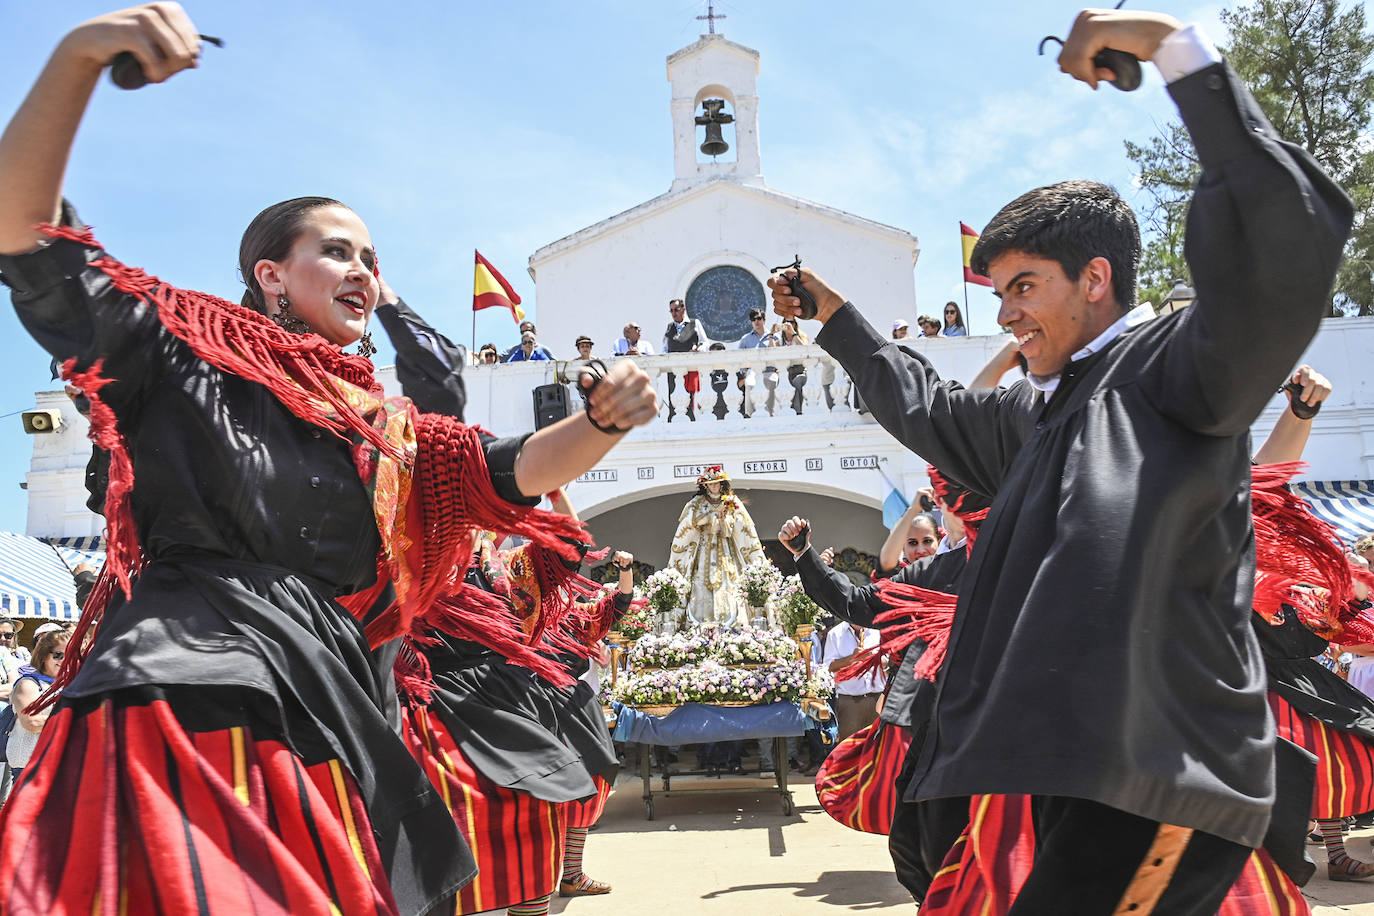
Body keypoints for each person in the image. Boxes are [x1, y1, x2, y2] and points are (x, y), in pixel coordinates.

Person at [0, 7, 659, 912]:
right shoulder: (185, 349)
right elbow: (28, 237)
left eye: (372, 258)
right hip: (191, 693)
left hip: (329, 699)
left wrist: (603, 422)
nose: (364, 272)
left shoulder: (387, 424)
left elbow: (506, 474)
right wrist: (77, 59)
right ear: (272, 274)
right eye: (337, 250)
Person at [769, 9, 1352, 909]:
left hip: (1163, 762)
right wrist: (840, 321)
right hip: (1072, 765)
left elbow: (1280, 248)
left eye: (1024, 288)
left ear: (1097, 279)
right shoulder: (1033, 420)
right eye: (1000, 294)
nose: (1005, 316)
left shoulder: (1178, 368)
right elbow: (925, 408)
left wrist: (1174, 52)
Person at [668, 466, 766, 624]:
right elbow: (691, 522)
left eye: (717, 483)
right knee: (700, 583)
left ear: (722, 484)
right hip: (704, 550)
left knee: (729, 582)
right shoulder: (697, 503)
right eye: (711, 484)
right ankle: (701, 622)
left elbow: (738, 527)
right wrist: (710, 517)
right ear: (705, 486)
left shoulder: (731, 502)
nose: (714, 486)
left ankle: (731, 621)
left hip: (725, 550)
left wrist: (723, 520)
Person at [4, 629, 69, 786]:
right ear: (44, 655)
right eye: (58, 655)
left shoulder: (68, 684)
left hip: (59, 764)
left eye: (70, 654)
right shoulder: (28, 684)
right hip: (30, 766)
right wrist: (71, 719)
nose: (64, 660)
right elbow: (31, 722)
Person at [876, 504, 940, 577]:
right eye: (913, 543)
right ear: (903, 548)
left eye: (927, 541)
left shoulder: (952, 571)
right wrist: (913, 509)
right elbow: (885, 565)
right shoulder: (897, 579)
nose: (921, 551)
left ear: (939, 542)